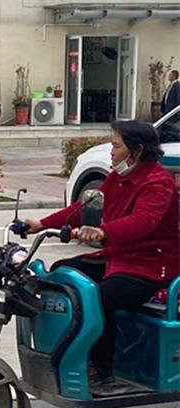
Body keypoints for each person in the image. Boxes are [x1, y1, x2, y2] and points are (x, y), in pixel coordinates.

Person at [24, 120, 180, 386]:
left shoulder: (157, 183)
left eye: (116, 146)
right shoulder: (118, 178)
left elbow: (142, 222)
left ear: (136, 151)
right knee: (63, 273)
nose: (111, 152)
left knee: (99, 296)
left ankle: (101, 367)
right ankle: (63, 350)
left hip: (150, 268)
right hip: (117, 259)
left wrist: (101, 232)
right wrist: (42, 224)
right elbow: (84, 207)